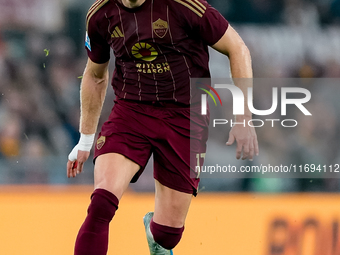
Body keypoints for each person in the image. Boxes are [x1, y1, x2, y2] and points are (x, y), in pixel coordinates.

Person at [66, 0, 259, 254]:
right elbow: (94, 74)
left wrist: (243, 117)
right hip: (131, 110)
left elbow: (237, 48)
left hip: (186, 113)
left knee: (168, 236)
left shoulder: (184, 5)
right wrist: (85, 140)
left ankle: (156, 234)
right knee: (101, 204)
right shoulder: (100, 14)